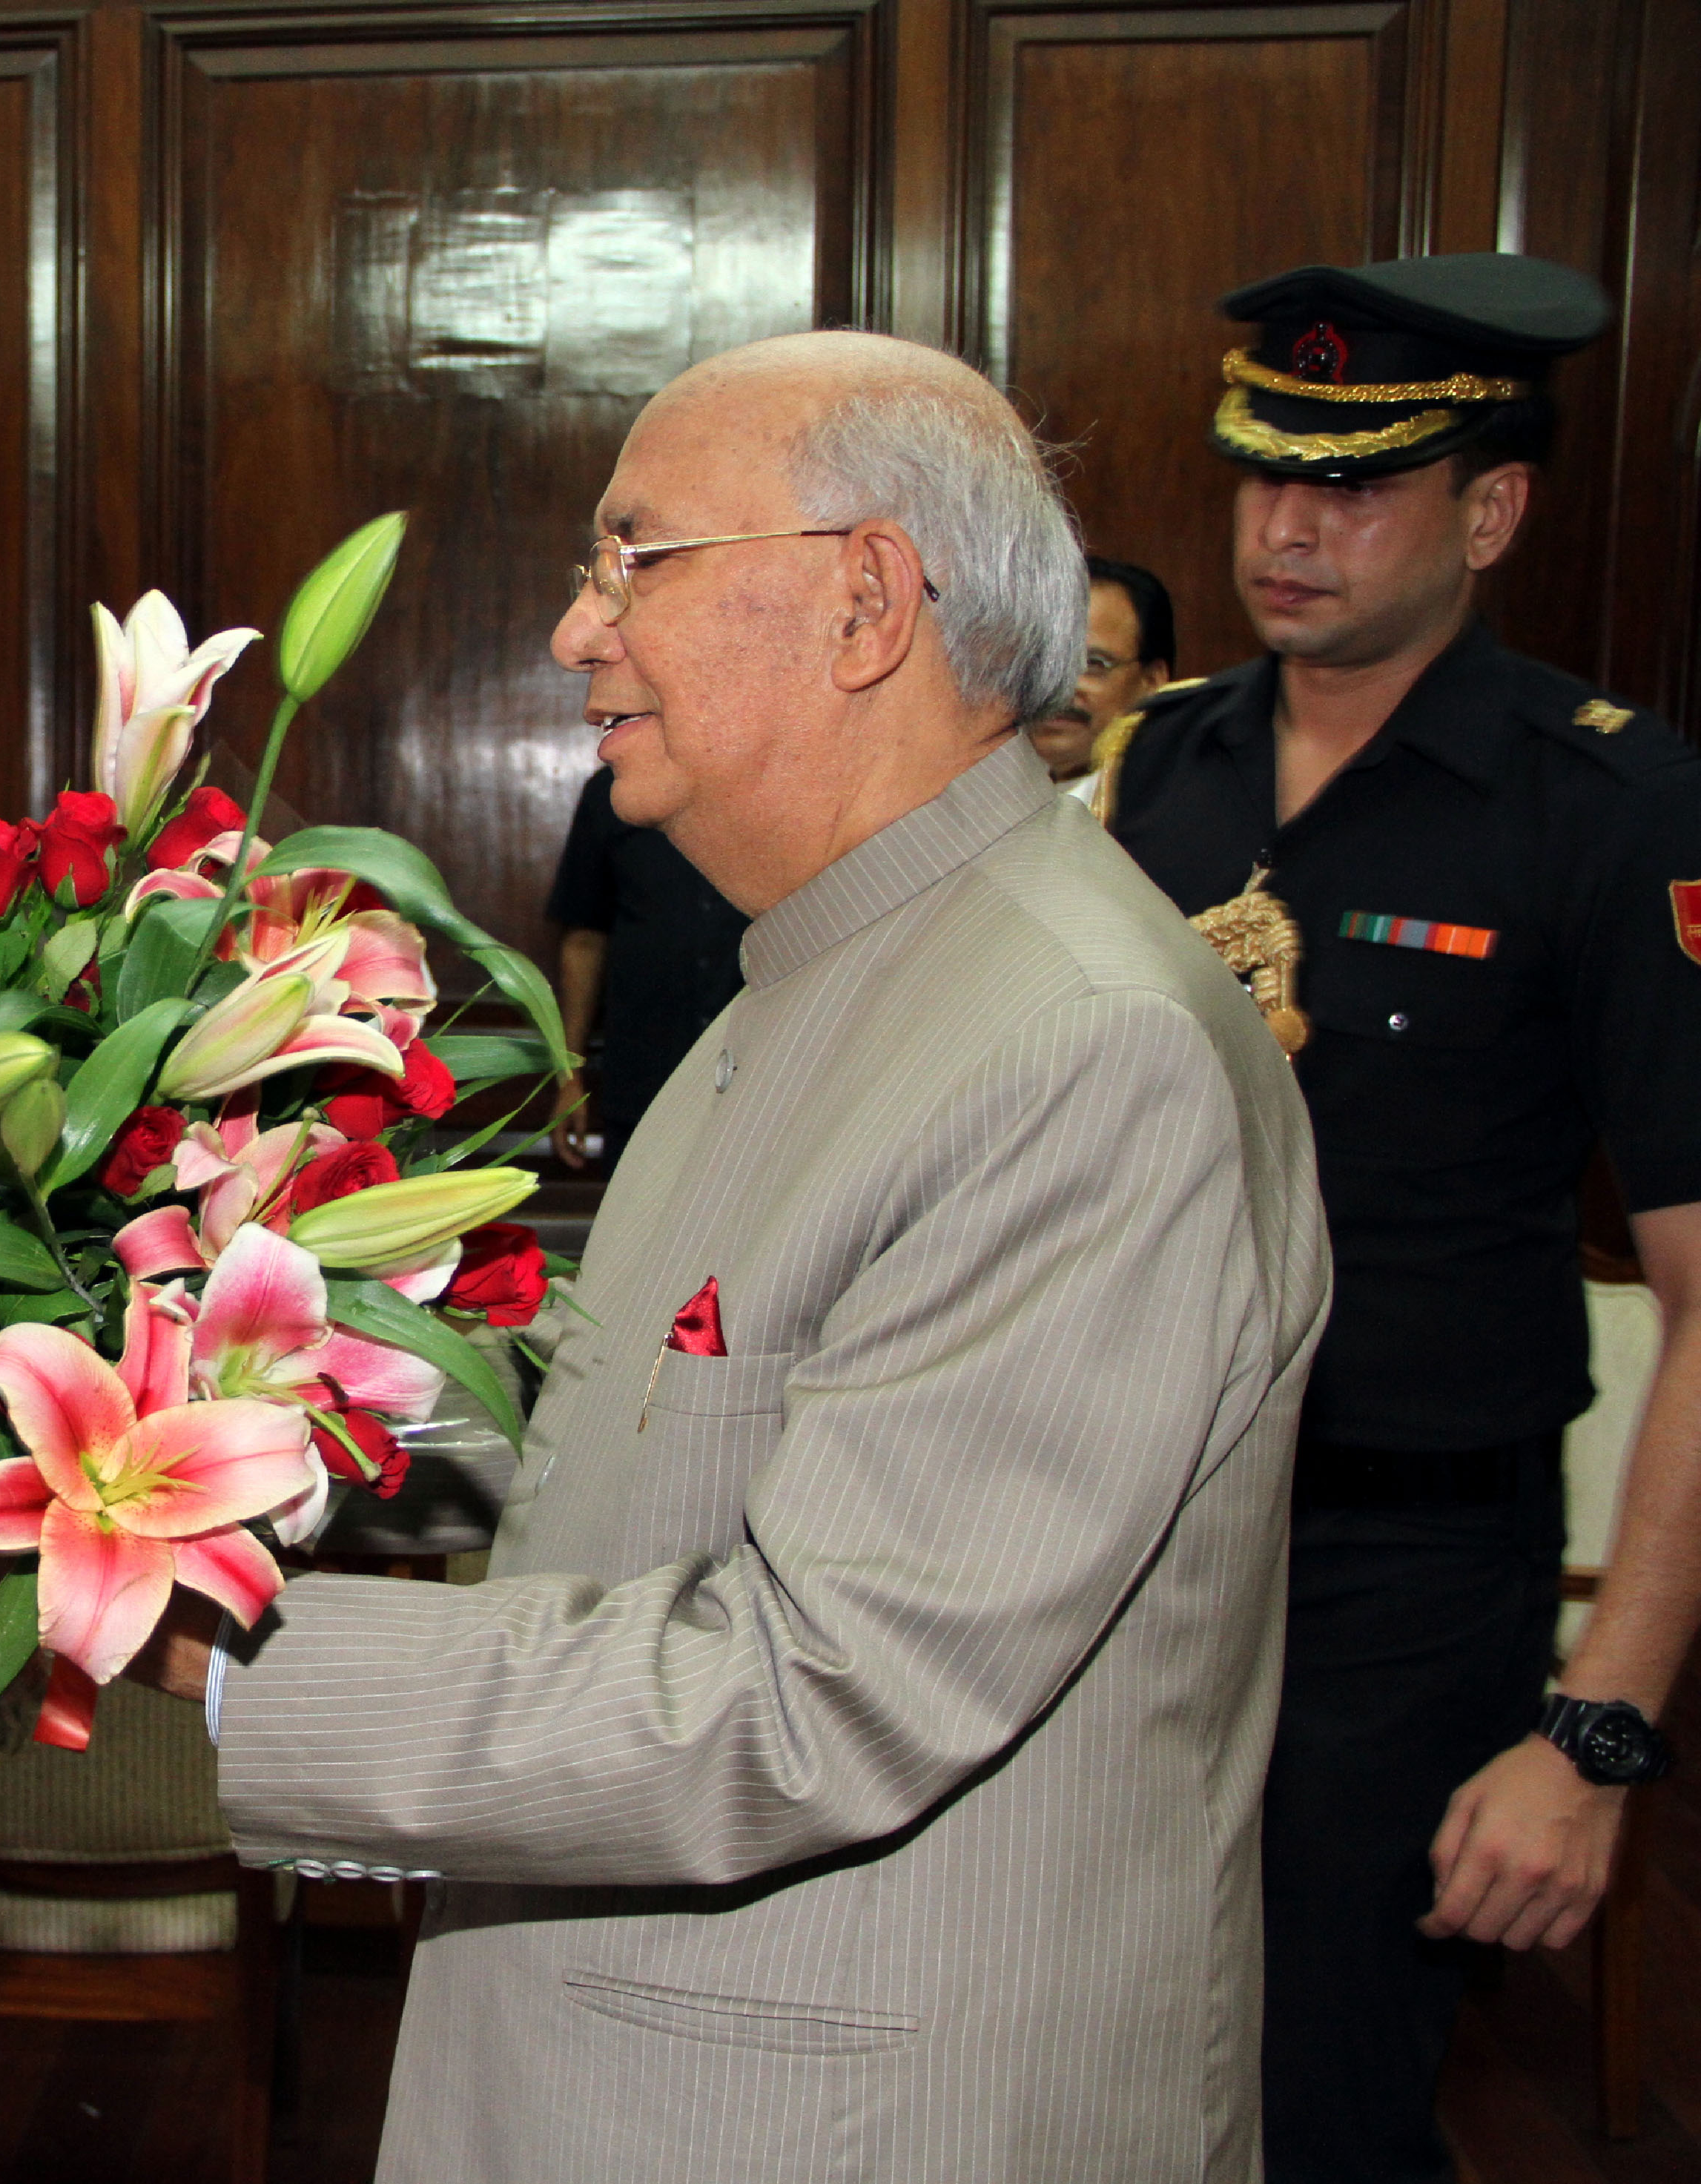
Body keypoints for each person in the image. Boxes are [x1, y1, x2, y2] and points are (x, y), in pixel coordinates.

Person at [133, 331, 1327, 2180]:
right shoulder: (839, 963)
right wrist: (180, 1455)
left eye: (634, 558)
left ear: (866, 599)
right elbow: (626, 1424)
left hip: (856, 2110)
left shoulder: (1081, 1041)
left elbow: (816, 1684)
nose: (573, 631)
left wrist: (204, 1655)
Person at [1097, 252, 1701, 2184]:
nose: (1288, 523)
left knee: (1322, 2100)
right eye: (1268, 472)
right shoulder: (1159, 772)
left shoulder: (1605, 807)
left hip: (1409, 1579)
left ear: (1494, 509)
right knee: (1101, 2077)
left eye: (1352, 483)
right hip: (1140, 1553)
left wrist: (1595, 1735)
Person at [540, 765, 749, 1173]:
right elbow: (584, 942)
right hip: (643, 1078)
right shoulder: (613, 789)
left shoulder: (775, 779)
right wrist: (568, 1078)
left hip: (759, 1078)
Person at [1033, 552, 1178, 805]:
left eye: (1093, 664)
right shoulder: (996, 796)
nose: (1058, 686)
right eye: (1044, 660)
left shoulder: (1167, 808)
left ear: (1152, 682)